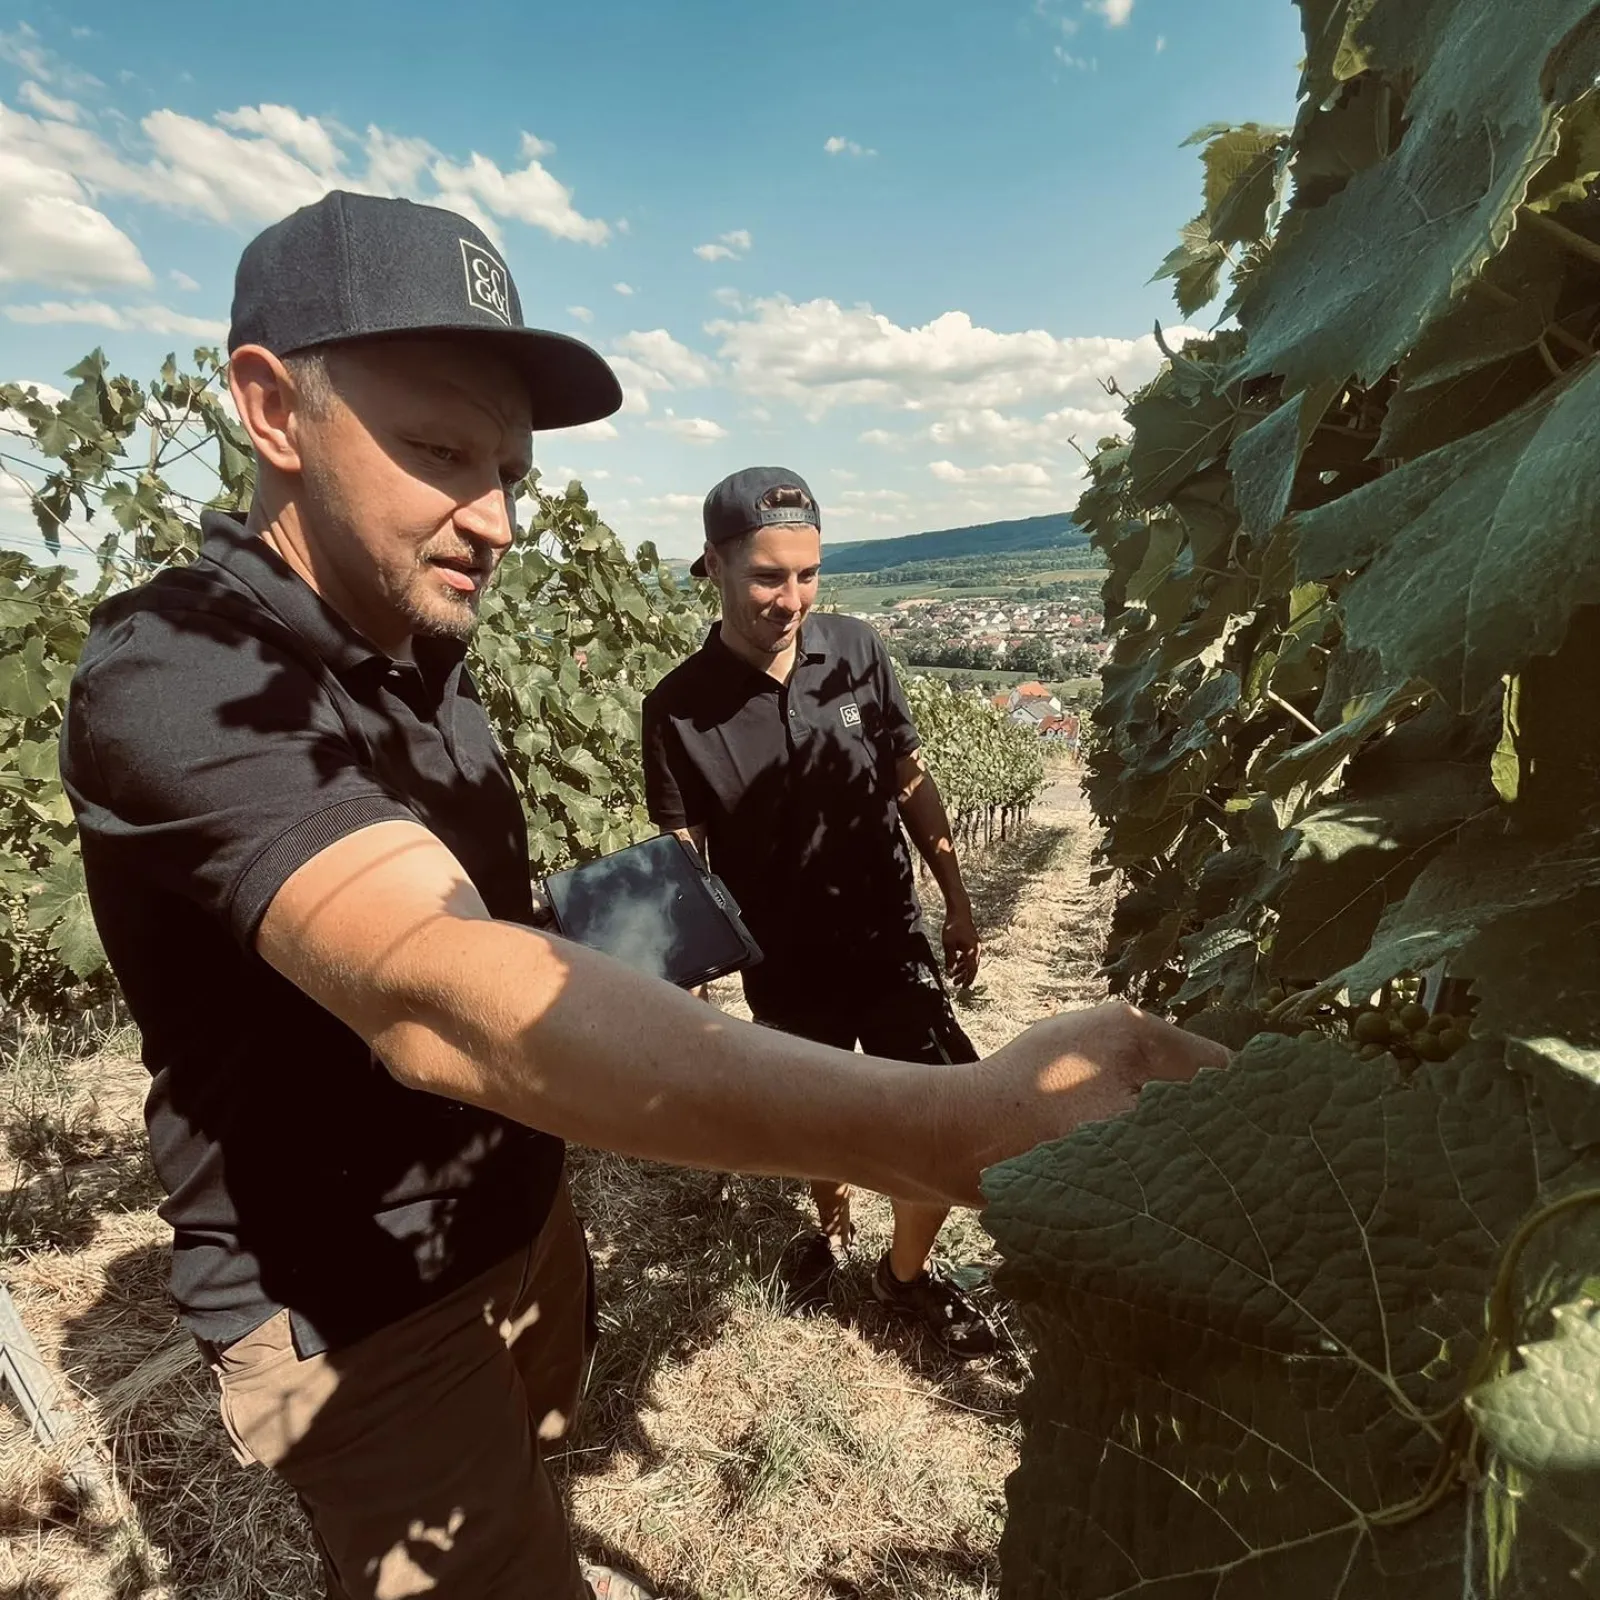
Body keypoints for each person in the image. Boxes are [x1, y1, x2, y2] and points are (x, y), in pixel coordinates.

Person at [59, 190, 1226, 1600]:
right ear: (270, 408)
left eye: (512, 473)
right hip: (358, 1305)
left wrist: (594, 932)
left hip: (517, 1209)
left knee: (541, 1451)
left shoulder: (420, 648)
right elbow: (434, 991)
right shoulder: (183, 672)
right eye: (438, 451)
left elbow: (466, 929)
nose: (491, 519)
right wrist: (956, 1127)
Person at [642, 469, 999, 1356]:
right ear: (715, 566)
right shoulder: (677, 711)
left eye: (807, 574)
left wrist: (955, 899)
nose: (791, 598)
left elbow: (911, 783)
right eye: (768, 576)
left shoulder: (858, 651)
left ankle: (904, 1275)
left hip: (890, 938)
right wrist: (693, 984)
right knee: (819, 1128)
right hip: (784, 963)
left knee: (944, 1121)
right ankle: (832, 1231)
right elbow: (686, 859)